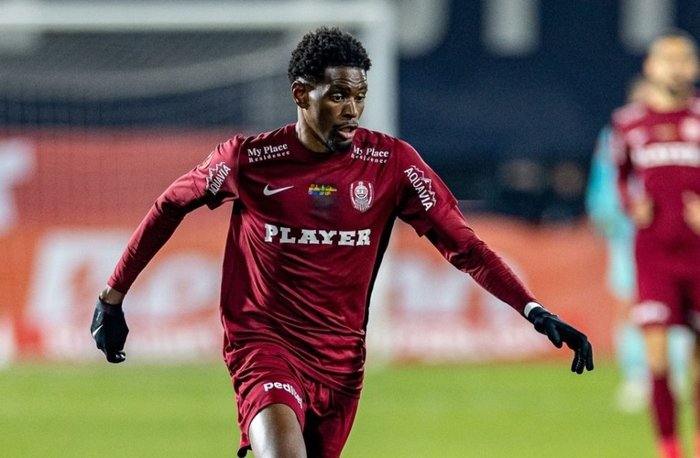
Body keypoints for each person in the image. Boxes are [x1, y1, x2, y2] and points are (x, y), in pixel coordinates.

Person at [90, 27, 593, 458]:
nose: (352, 110)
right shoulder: (248, 160)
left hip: (341, 362)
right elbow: (169, 205)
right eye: (337, 97)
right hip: (263, 346)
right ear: (301, 94)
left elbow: (465, 247)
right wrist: (113, 295)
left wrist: (531, 309)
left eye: (359, 97)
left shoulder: (392, 164)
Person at [613, 31, 700, 458]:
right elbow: (619, 177)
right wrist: (632, 206)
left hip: (698, 254)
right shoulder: (628, 122)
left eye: (684, 59)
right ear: (650, 66)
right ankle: (669, 448)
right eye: (668, 59)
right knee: (657, 352)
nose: (676, 67)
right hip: (654, 255)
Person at [587, 76, 693, 413]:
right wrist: (613, 215)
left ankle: (675, 370)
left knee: (677, 305)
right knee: (630, 305)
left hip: (680, 235)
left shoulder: (688, 129)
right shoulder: (617, 135)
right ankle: (636, 373)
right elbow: (605, 182)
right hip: (629, 233)